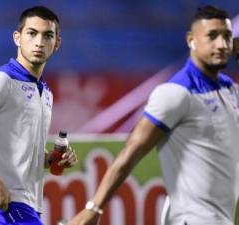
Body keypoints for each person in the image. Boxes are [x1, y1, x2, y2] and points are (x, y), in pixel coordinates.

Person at [68, 5, 239, 225]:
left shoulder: (230, 89)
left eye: (227, 36)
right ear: (191, 40)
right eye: (212, 36)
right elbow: (132, 151)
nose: (222, 44)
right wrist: (94, 208)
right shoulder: (176, 93)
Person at [0, 6, 78, 225]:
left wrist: (51, 159)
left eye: (47, 35)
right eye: (32, 33)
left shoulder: (46, 93)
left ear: (57, 43)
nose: (39, 42)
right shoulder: (0, 80)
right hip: (6, 202)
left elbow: (24, 153)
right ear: (17, 38)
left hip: (30, 204)